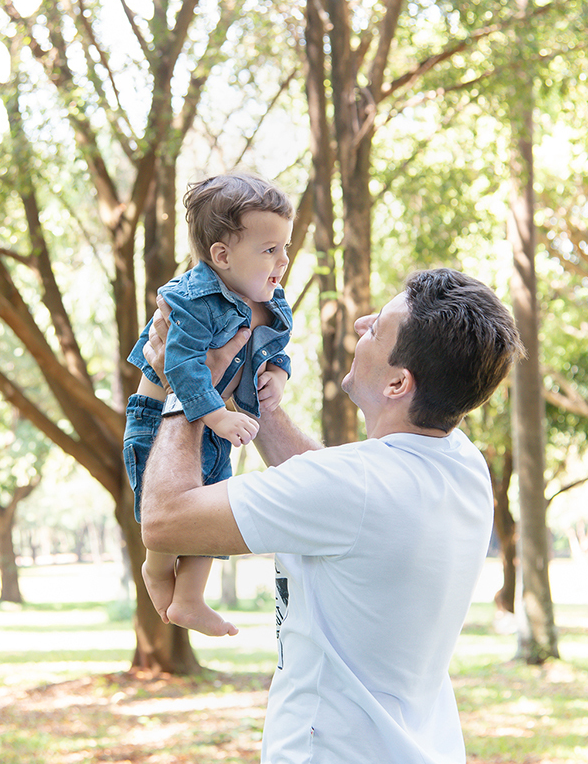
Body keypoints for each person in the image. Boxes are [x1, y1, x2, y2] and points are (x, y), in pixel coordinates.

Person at [138, 268, 524, 763]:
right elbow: (327, 491)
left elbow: (165, 520)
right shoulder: (461, 462)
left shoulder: (353, 486)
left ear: (398, 382)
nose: (362, 323)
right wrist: (251, 399)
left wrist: (183, 387)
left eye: (379, 326)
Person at [124, 171, 295, 637]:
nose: (283, 259)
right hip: (162, 419)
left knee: (205, 508)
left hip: (220, 423)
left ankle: (190, 599)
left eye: (284, 247)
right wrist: (216, 414)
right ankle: (157, 574)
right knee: (166, 510)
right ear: (221, 254)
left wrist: (278, 374)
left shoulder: (270, 301)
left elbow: (275, 346)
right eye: (269, 249)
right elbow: (177, 365)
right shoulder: (191, 300)